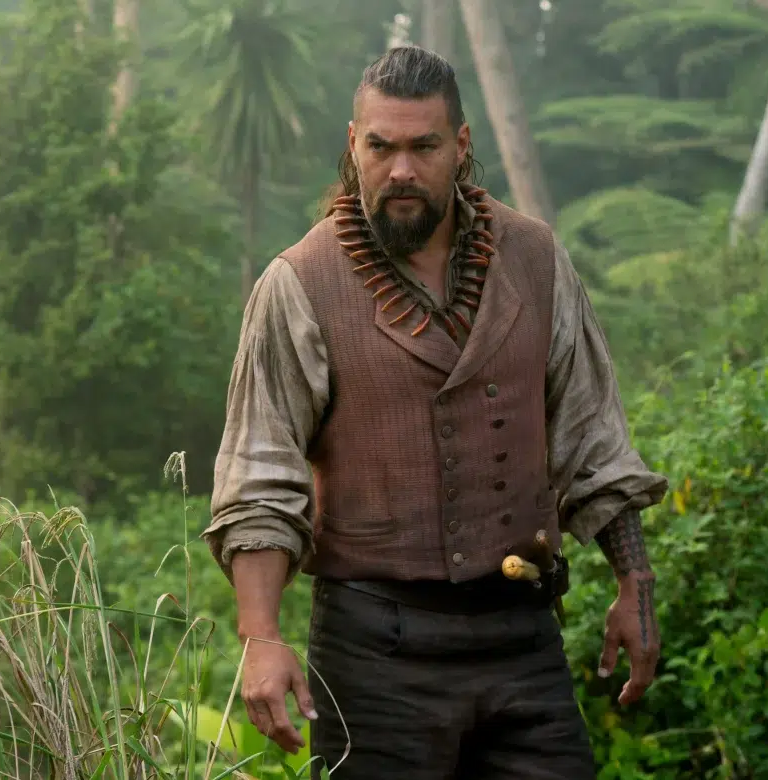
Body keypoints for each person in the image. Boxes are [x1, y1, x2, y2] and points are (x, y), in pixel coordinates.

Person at [201, 45, 670, 779]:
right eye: (380, 147)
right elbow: (259, 479)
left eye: (423, 148)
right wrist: (261, 637)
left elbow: (595, 442)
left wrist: (633, 584)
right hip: (373, 653)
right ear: (353, 145)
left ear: (461, 145)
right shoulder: (299, 283)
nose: (401, 171)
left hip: (521, 635)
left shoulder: (535, 257)